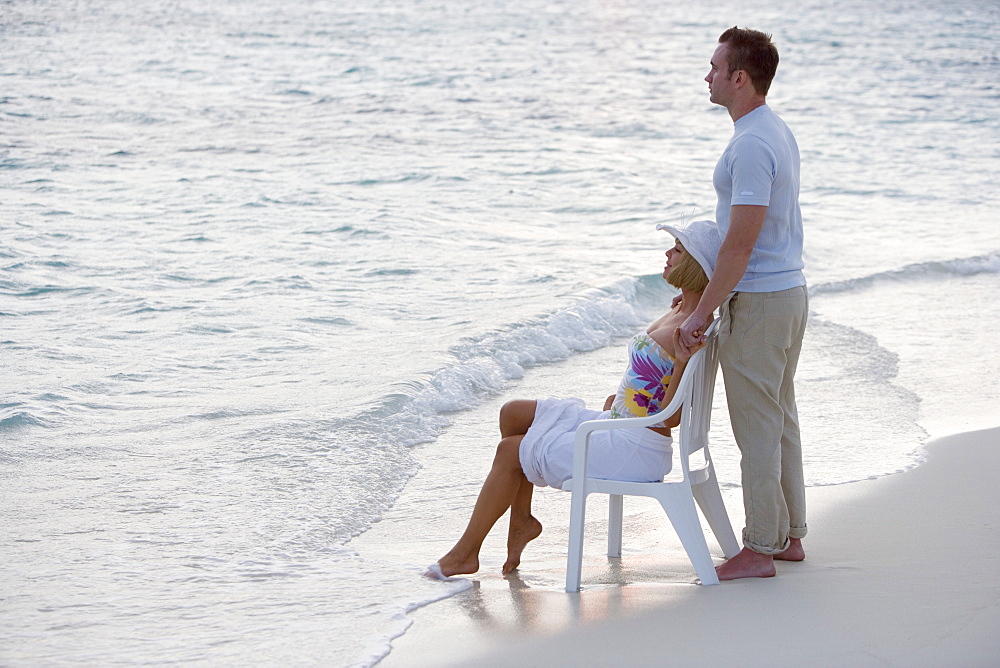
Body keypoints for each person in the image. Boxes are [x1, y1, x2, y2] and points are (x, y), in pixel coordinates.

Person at [426, 220, 723, 580]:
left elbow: (669, 418)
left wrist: (679, 363)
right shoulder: (682, 312)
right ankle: (521, 518)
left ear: (693, 264)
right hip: (621, 423)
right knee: (514, 413)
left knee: (509, 451)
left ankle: (465, 555)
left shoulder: (690, 329)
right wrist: (620, 400)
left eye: (677, 250)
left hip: (636, 446)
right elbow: (647, 385)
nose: (667, 253)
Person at [675, 27, 809, 580]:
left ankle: (759, 547)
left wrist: (702, 311)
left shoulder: (752, 143)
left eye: (714, 67)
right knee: (779, 419)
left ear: (740, 77)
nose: (705, 76)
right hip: (786, 293)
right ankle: (789, 536)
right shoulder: (771, 130)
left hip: (760, 301)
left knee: (757, 425)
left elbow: (740, 243)